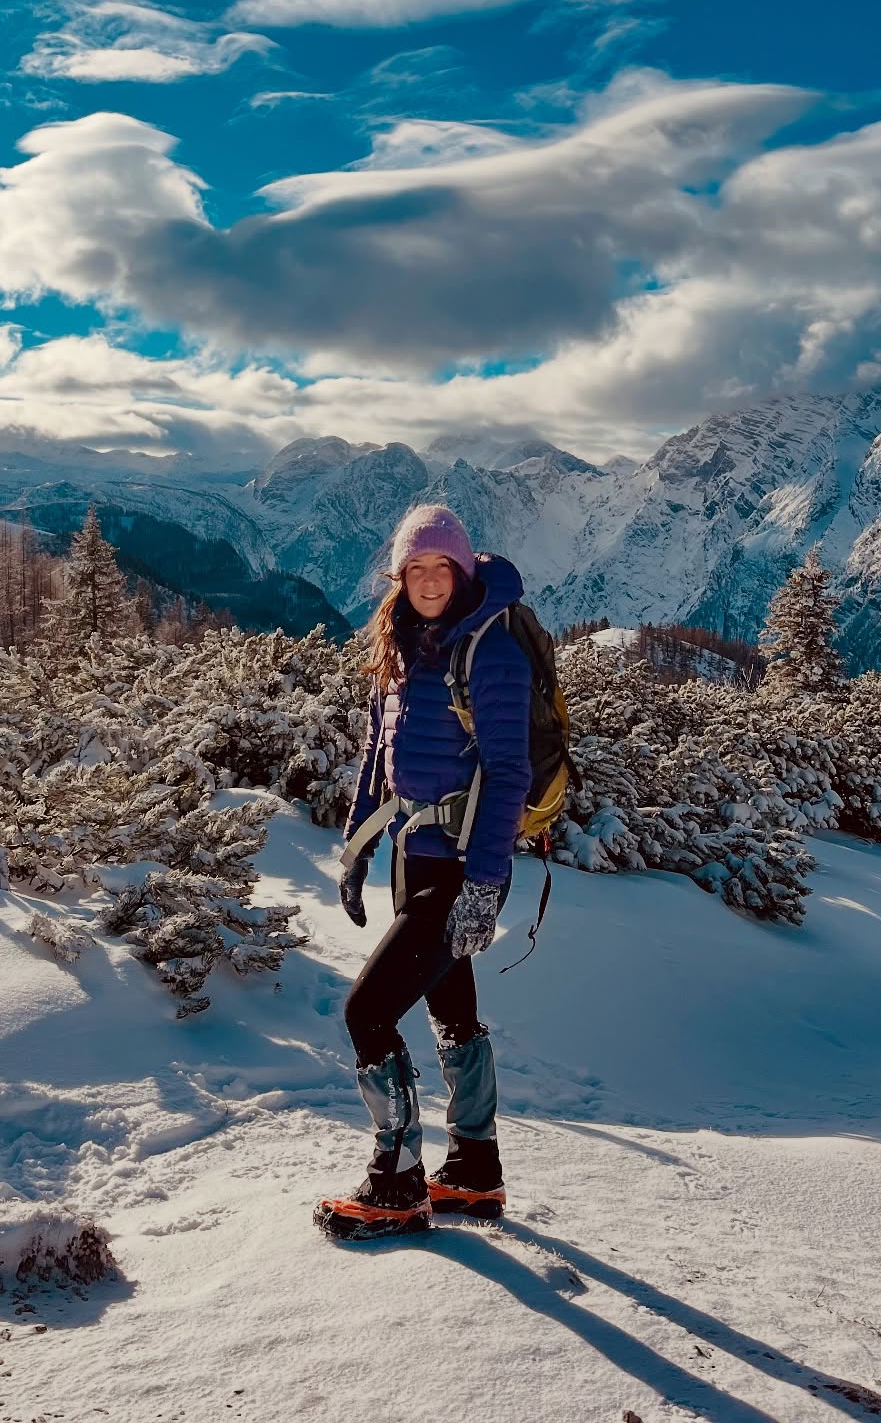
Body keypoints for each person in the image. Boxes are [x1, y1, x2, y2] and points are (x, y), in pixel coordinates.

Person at [313, 502, 533, 1242]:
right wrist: (355, 852)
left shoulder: (492, 652)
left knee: (367, 1014)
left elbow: (509, 774)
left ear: (463, 572)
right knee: (451, 1011)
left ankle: (397, 1184)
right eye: (417, 568)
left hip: (462, 868)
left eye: (443, 567)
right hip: (415, 858)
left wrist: (483, 887)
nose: (431, 581)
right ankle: (473, 1168)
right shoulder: (400, 647)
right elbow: (376, 762)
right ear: (399, 577)